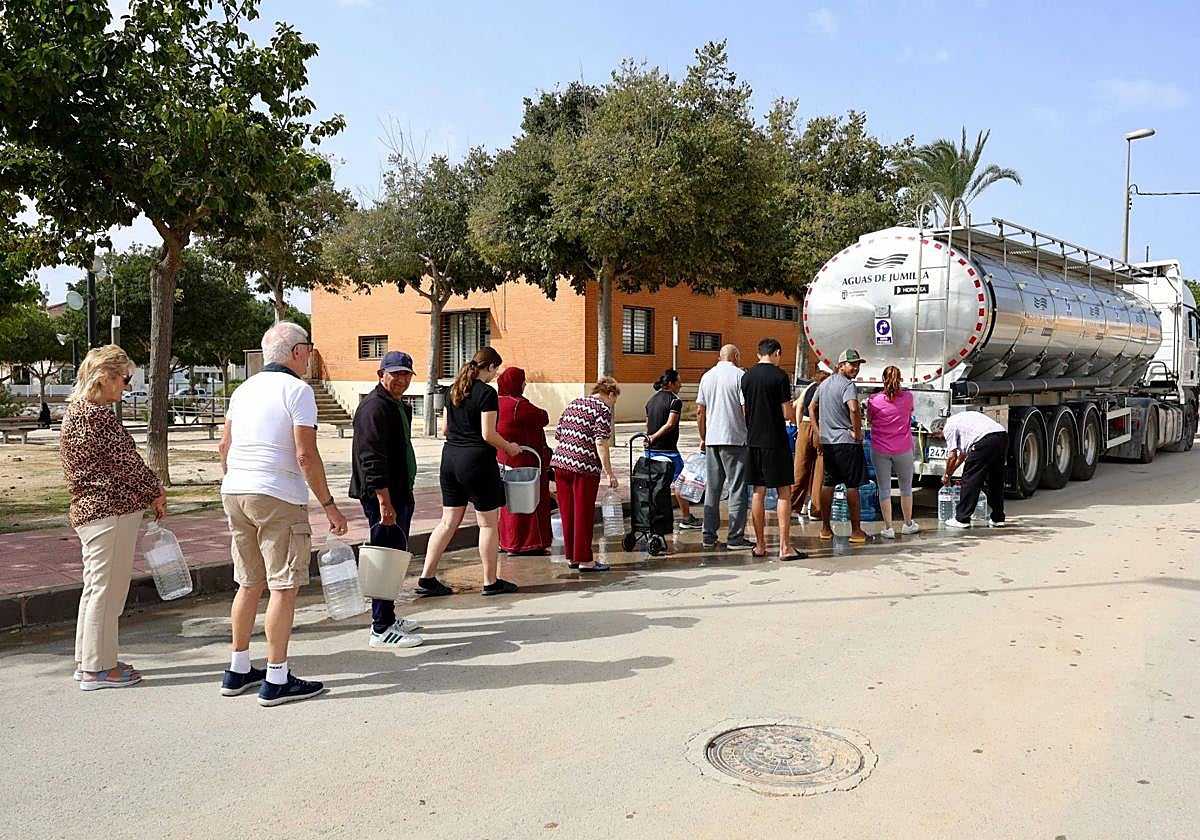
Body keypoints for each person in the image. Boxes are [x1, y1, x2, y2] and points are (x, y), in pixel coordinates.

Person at [219, 321, 349, 707]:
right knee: (283, 586)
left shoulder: (243, 390)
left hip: (236, 491)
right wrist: (328, 504)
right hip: (277, 494)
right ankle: (276, 677)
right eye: (308, 347)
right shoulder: (298, 390)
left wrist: (240, 478)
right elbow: (305, 454)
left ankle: (238, 667)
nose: (310, 355)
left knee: (248, 582)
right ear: (295, 351)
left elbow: (225, 445)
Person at [60, 345, 165, 690]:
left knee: (96, 589)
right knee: (108, 591)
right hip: (110, 510)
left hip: (93, 511)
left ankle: (90, 659)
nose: (126, 386)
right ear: (104, 378)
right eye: (124, 379)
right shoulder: (98, 417)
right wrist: (155, 491)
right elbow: (128, 465)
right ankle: (98, 668)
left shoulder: (77, 411)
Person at [418, 346, 523, 596]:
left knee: (447, 522)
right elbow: (488, 434)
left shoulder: (452, 390)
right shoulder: (487, 393)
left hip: (450, 460)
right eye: (495, 370)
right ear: (488, 367)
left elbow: (444, 429)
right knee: (488, 525)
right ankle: (490, 582)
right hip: (476, 462)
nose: (495, 375)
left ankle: (427, 577)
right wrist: (510, 447)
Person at [349, 350, 423, 650]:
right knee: (384, 558)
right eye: (395, 374)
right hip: (384, 497)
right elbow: (371, 459)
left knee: (393, 557)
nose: (401, 380)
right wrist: (384, 501)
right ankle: (380, 627)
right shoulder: (374, 408)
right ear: (381, 375)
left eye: (406, 374)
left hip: (399, 493)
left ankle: (389, 617)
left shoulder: (396, 406)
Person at [550, 377, 621, 571]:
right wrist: (610, 473)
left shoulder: (574, 403)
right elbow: (601, 442)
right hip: (584, 468)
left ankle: (572, 556)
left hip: (561, 464)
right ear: (611, 394)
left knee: (568, 513)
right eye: (615, 400)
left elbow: (559, 434)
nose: (613, 404)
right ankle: (585, 560)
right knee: (583, 513)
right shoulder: (602, 409)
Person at [741, 338, 802, 560]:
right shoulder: (780, 377)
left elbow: (745, 409)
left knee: (758, 491)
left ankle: (760, 545)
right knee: (784, 491)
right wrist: (795, 411)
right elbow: (786, 413)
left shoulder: (746, 377)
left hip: (754, 439)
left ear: (759, 355)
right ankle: (785, 547)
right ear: (776, 353)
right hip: (775, 440)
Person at [695, 345, 753, 550]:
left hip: (712, 438)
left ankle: (708, 535)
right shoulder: (740, 376)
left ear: (720, 357)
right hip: (735, 438)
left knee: (713, 488)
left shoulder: (707, 377)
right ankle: (735, 538)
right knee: (737, 488)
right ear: (736, 356)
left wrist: (703, 437)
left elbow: (700, 411)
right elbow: (745, 408)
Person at [811, 348, 869, 544]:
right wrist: (858, 432)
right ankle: (856, 531)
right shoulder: (847, 385)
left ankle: (825, 529)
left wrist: (818, 432)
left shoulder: (824, 384)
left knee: (828, 483)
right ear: (841, 365)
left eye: (858, 364)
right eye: (852, 364)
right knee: (852, 486)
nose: (856, 368)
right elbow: (853, 409)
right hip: (847, 442)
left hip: (829, 442)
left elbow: (811, 407)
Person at [496, 366, 553, 555]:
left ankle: (507, 541)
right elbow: (543, 417)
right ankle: (528, 543)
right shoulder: (517, 405)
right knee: (529, 503)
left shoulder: (497, 402)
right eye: (522, 381)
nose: (525, 384)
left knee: (508, 504)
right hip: (525, 460)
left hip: (503, 459)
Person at [866, 366, 920, 539]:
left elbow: (870, 419)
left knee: (884, 489)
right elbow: (909, 414)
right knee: (906, 488)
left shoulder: (874, 400)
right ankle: (908, 524)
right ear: (900, 379)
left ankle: (888, 528)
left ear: (883, 380)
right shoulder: (908, 398)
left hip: (880, 448)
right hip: (903, 448)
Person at [644, 368, 699, 530]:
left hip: (650, 450)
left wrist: (649, 437)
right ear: (670, 384)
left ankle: (652, 516)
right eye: (678, 383)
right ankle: (686, 517)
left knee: (654, 483)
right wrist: (654, 437)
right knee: (680, 482)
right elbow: (670, 424)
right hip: (668, 450)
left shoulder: (651, 400)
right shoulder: (675, 401)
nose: (680, 386)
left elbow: (647, 424)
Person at [940, 410, 1009, 529]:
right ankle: (998, 518)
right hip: (1002, 436)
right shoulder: (960, 421)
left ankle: (962, 519)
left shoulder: (948, 427)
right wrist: (950, 474)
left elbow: (952, 456)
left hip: (985, 440)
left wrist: (946, 475)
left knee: (970, 479)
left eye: (938, 436)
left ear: (940, 429)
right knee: (995, 480)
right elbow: (962, 456)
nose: (941, 439)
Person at [791, 371, 828, 521]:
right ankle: (815, 511)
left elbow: (798, 406)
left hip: (805, 426)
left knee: (800, 469)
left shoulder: (810, 387)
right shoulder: (827, 389)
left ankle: (793, 507)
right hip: (822, 428)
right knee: (820, 471)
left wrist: (799, 428)